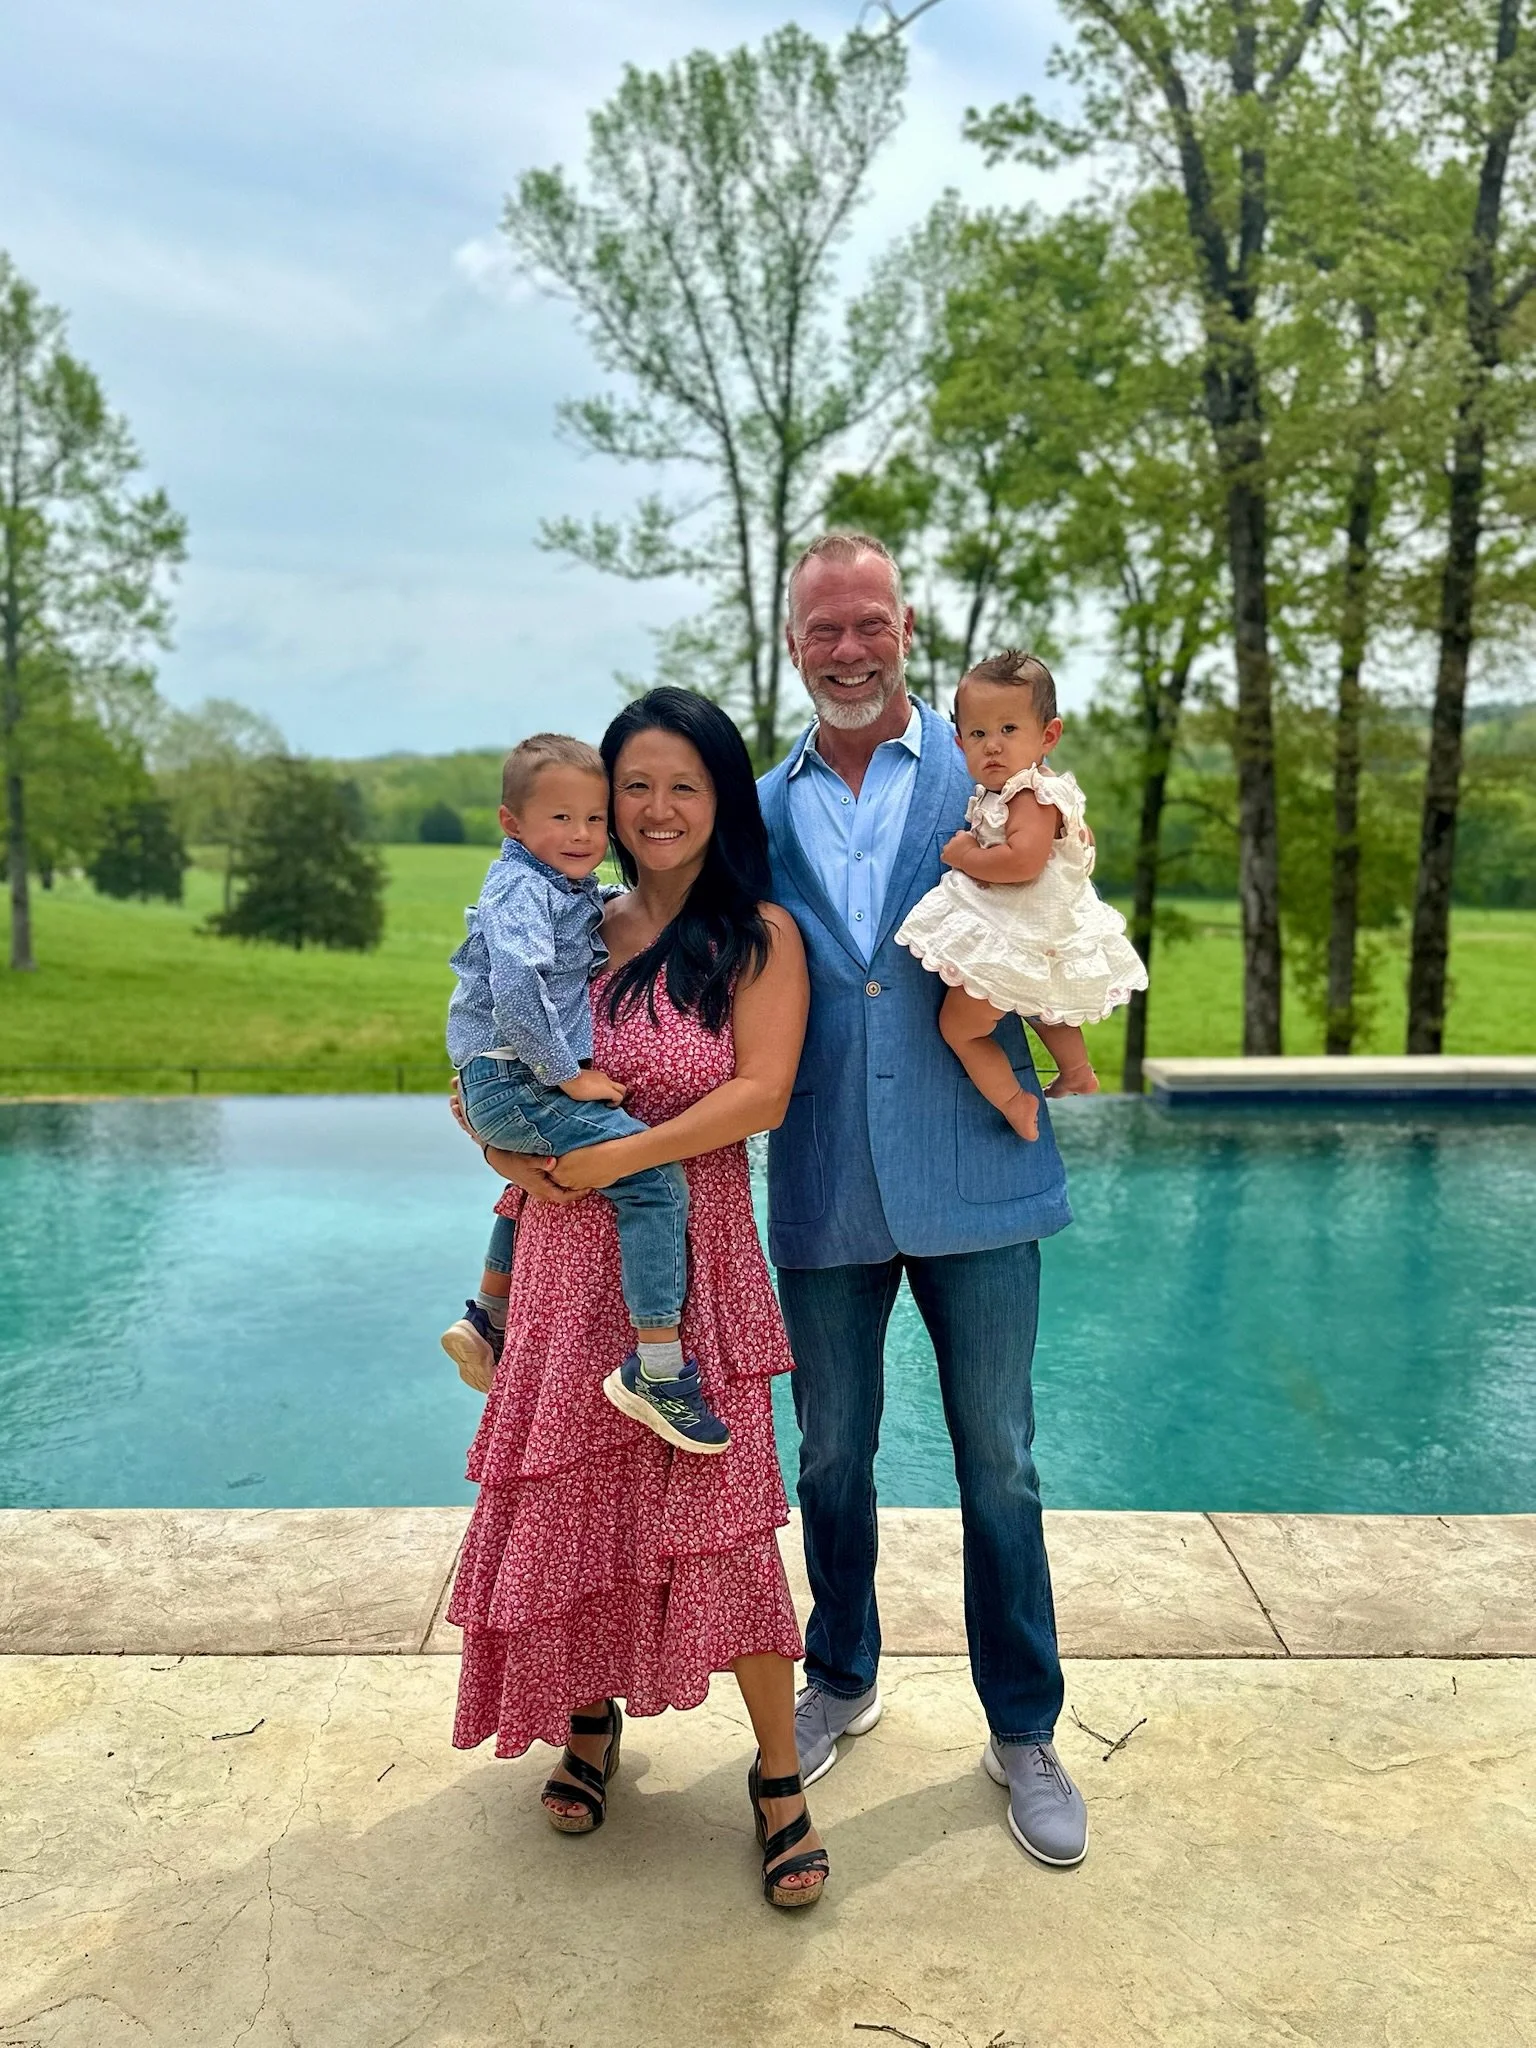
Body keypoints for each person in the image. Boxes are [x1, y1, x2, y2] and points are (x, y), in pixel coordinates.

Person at [449, 687, 832, 1909]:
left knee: (721, 1510)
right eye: (637, 786)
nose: (657, 809)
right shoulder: (569, 921)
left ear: (721, 800)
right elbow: (494, 1068)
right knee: (580, 1495)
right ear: (601, 802)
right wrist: (509, 1153)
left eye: (685, 785)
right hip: (568, 1264)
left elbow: (761, 1093)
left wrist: (615, 1155)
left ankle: (778, 1775)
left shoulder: (758, 933)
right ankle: (590, 1719)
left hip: (693, 1259)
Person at [758, 530, 1090, 1868]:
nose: (850, 648)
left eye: (870, 623)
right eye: (824, 629)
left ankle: (1024, 1726)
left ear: (908, 625)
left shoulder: (989, 769)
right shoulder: (763, 804)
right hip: (825, 1173)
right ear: (795, 644)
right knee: (831, 1452)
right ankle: (841, 1671)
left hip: (978, 1167)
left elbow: (1059, 902)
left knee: (999, 1459)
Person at [440, 731, 728, 1454]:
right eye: (560, 819)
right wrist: (568, 1074)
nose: (582, 834)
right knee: (651, 1176)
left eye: (594, 819)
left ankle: (487, 1314)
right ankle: (658, 1368)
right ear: (512, 824)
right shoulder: (518, 891)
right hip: (516, 1073)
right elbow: (515, 989)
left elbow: (576, 917)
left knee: (572, 1147)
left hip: (498, 1080)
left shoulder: (556, 890)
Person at [896, 648, 1148, 1140]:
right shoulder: (1040, 789)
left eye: (1009, 730)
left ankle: (1014, 1100)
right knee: (1039, 1002)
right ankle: (1076, 1070)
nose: (992, 746)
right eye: (978, 734)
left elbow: (1022, 862)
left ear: (1047, 735)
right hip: (1040, 932)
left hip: (1016, 931)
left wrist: (966, 854)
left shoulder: (1028, 794)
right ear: (959, 742)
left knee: (961, 1029)